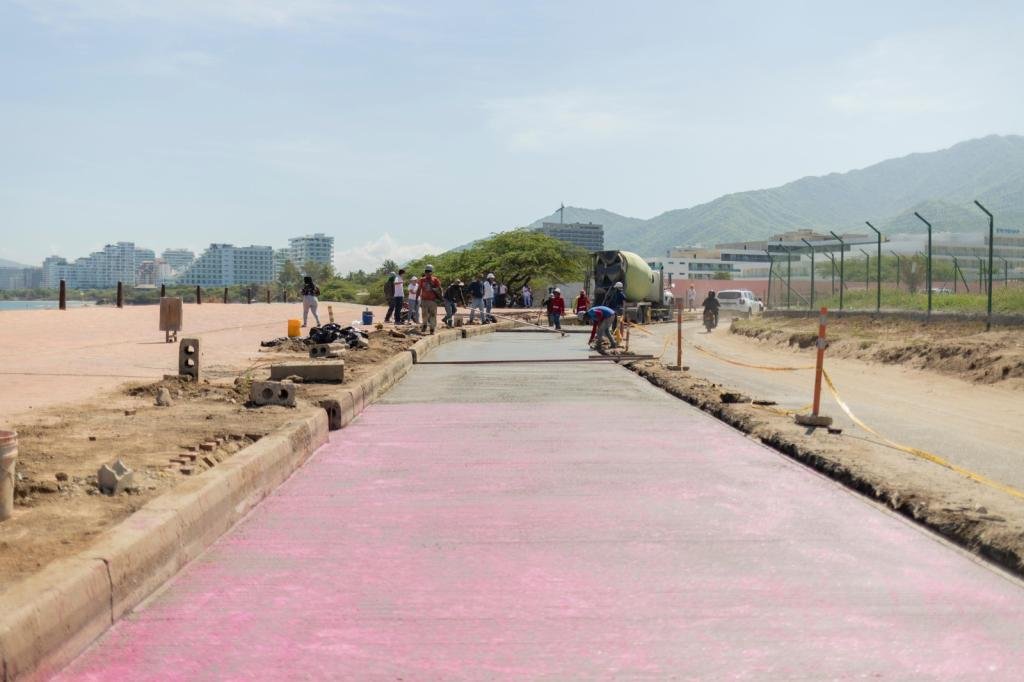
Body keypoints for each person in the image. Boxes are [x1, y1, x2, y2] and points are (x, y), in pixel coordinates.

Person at [418, 264, 442, 334]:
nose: (427, 273)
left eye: (429, 271)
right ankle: (424, 325)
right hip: (424, 300)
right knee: (424, 315)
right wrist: (417, 298)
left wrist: (440, 297)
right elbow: (419, 289)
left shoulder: (435, 280)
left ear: (432, 272)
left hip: (433, 301)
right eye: (426, 271)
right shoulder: (422, 280)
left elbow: (439, 289)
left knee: (433, 315)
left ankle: (432, 329)